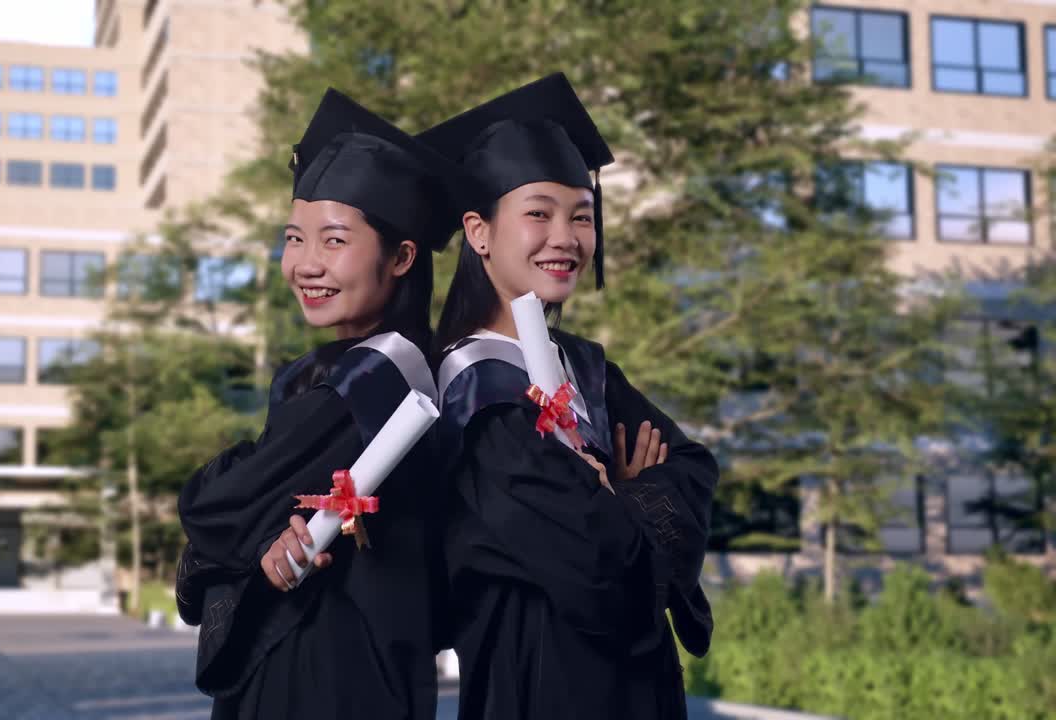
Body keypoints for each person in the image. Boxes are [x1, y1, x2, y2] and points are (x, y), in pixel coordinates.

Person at [419, 73, 719, 719]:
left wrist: (616, 495)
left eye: (581, 216)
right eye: (538, 213)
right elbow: (593, 563)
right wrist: (630, 492)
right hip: (537, 678)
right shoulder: (475, 392)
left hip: (641, 680)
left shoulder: (587, 367)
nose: (566, 237)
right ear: (479, 232)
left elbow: (693, 470)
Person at [175, 88, 465, 720]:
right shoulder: (327, 372)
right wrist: (259, 535)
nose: (305, 264)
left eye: (333, 241)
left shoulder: (379, 379)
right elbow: (246, 510)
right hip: (332, 663)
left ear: (402, 258)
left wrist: (241, 510)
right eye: (293, 238)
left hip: (329, 672)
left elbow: (217, 506)